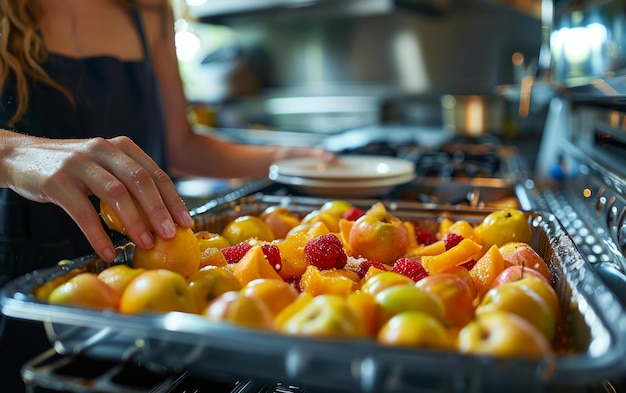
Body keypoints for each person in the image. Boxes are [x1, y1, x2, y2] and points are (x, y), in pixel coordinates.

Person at [0, 0, 331, 391]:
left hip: (150, 291)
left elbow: (180, 146)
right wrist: (15, 153)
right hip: (21, 281)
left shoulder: (149, 8)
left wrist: (287, 157)